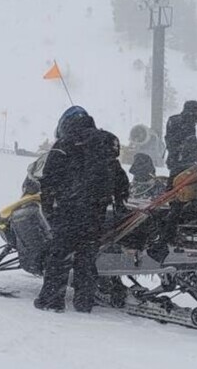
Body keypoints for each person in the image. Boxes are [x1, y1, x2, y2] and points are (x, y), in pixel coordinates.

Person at [36, 109, 128, 313]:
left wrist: (48, 206)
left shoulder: (64, 144)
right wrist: (120, 202)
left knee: (59, 255)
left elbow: (49, 178)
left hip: (69, 209)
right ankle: (84, 301)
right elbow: (120, 178)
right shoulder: (104, 143)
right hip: (96, 212)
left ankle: (51, 300)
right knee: (86, 257)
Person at [165, 100, 197, 179]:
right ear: (191, 112)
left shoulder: (174, 120)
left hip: (175, 160)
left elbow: (170, 140)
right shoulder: (188, 124)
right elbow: (191, 143)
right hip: (184, 163)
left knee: (175, 181)